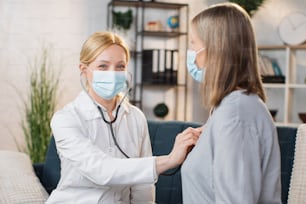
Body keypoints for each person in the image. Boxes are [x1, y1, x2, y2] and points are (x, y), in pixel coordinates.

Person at [46, 31, 201, 204]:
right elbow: (101, 170)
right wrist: (169, 160)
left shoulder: (135, 117)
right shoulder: (65, 119)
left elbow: (143, 186)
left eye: (120, 66)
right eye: (103, 66)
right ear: (84, 70)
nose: (112, 73)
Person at [181, 3, 282, 204]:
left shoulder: (235, 113)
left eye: (193, 43)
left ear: (215, 50)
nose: (190, 52)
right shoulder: (229, 108)